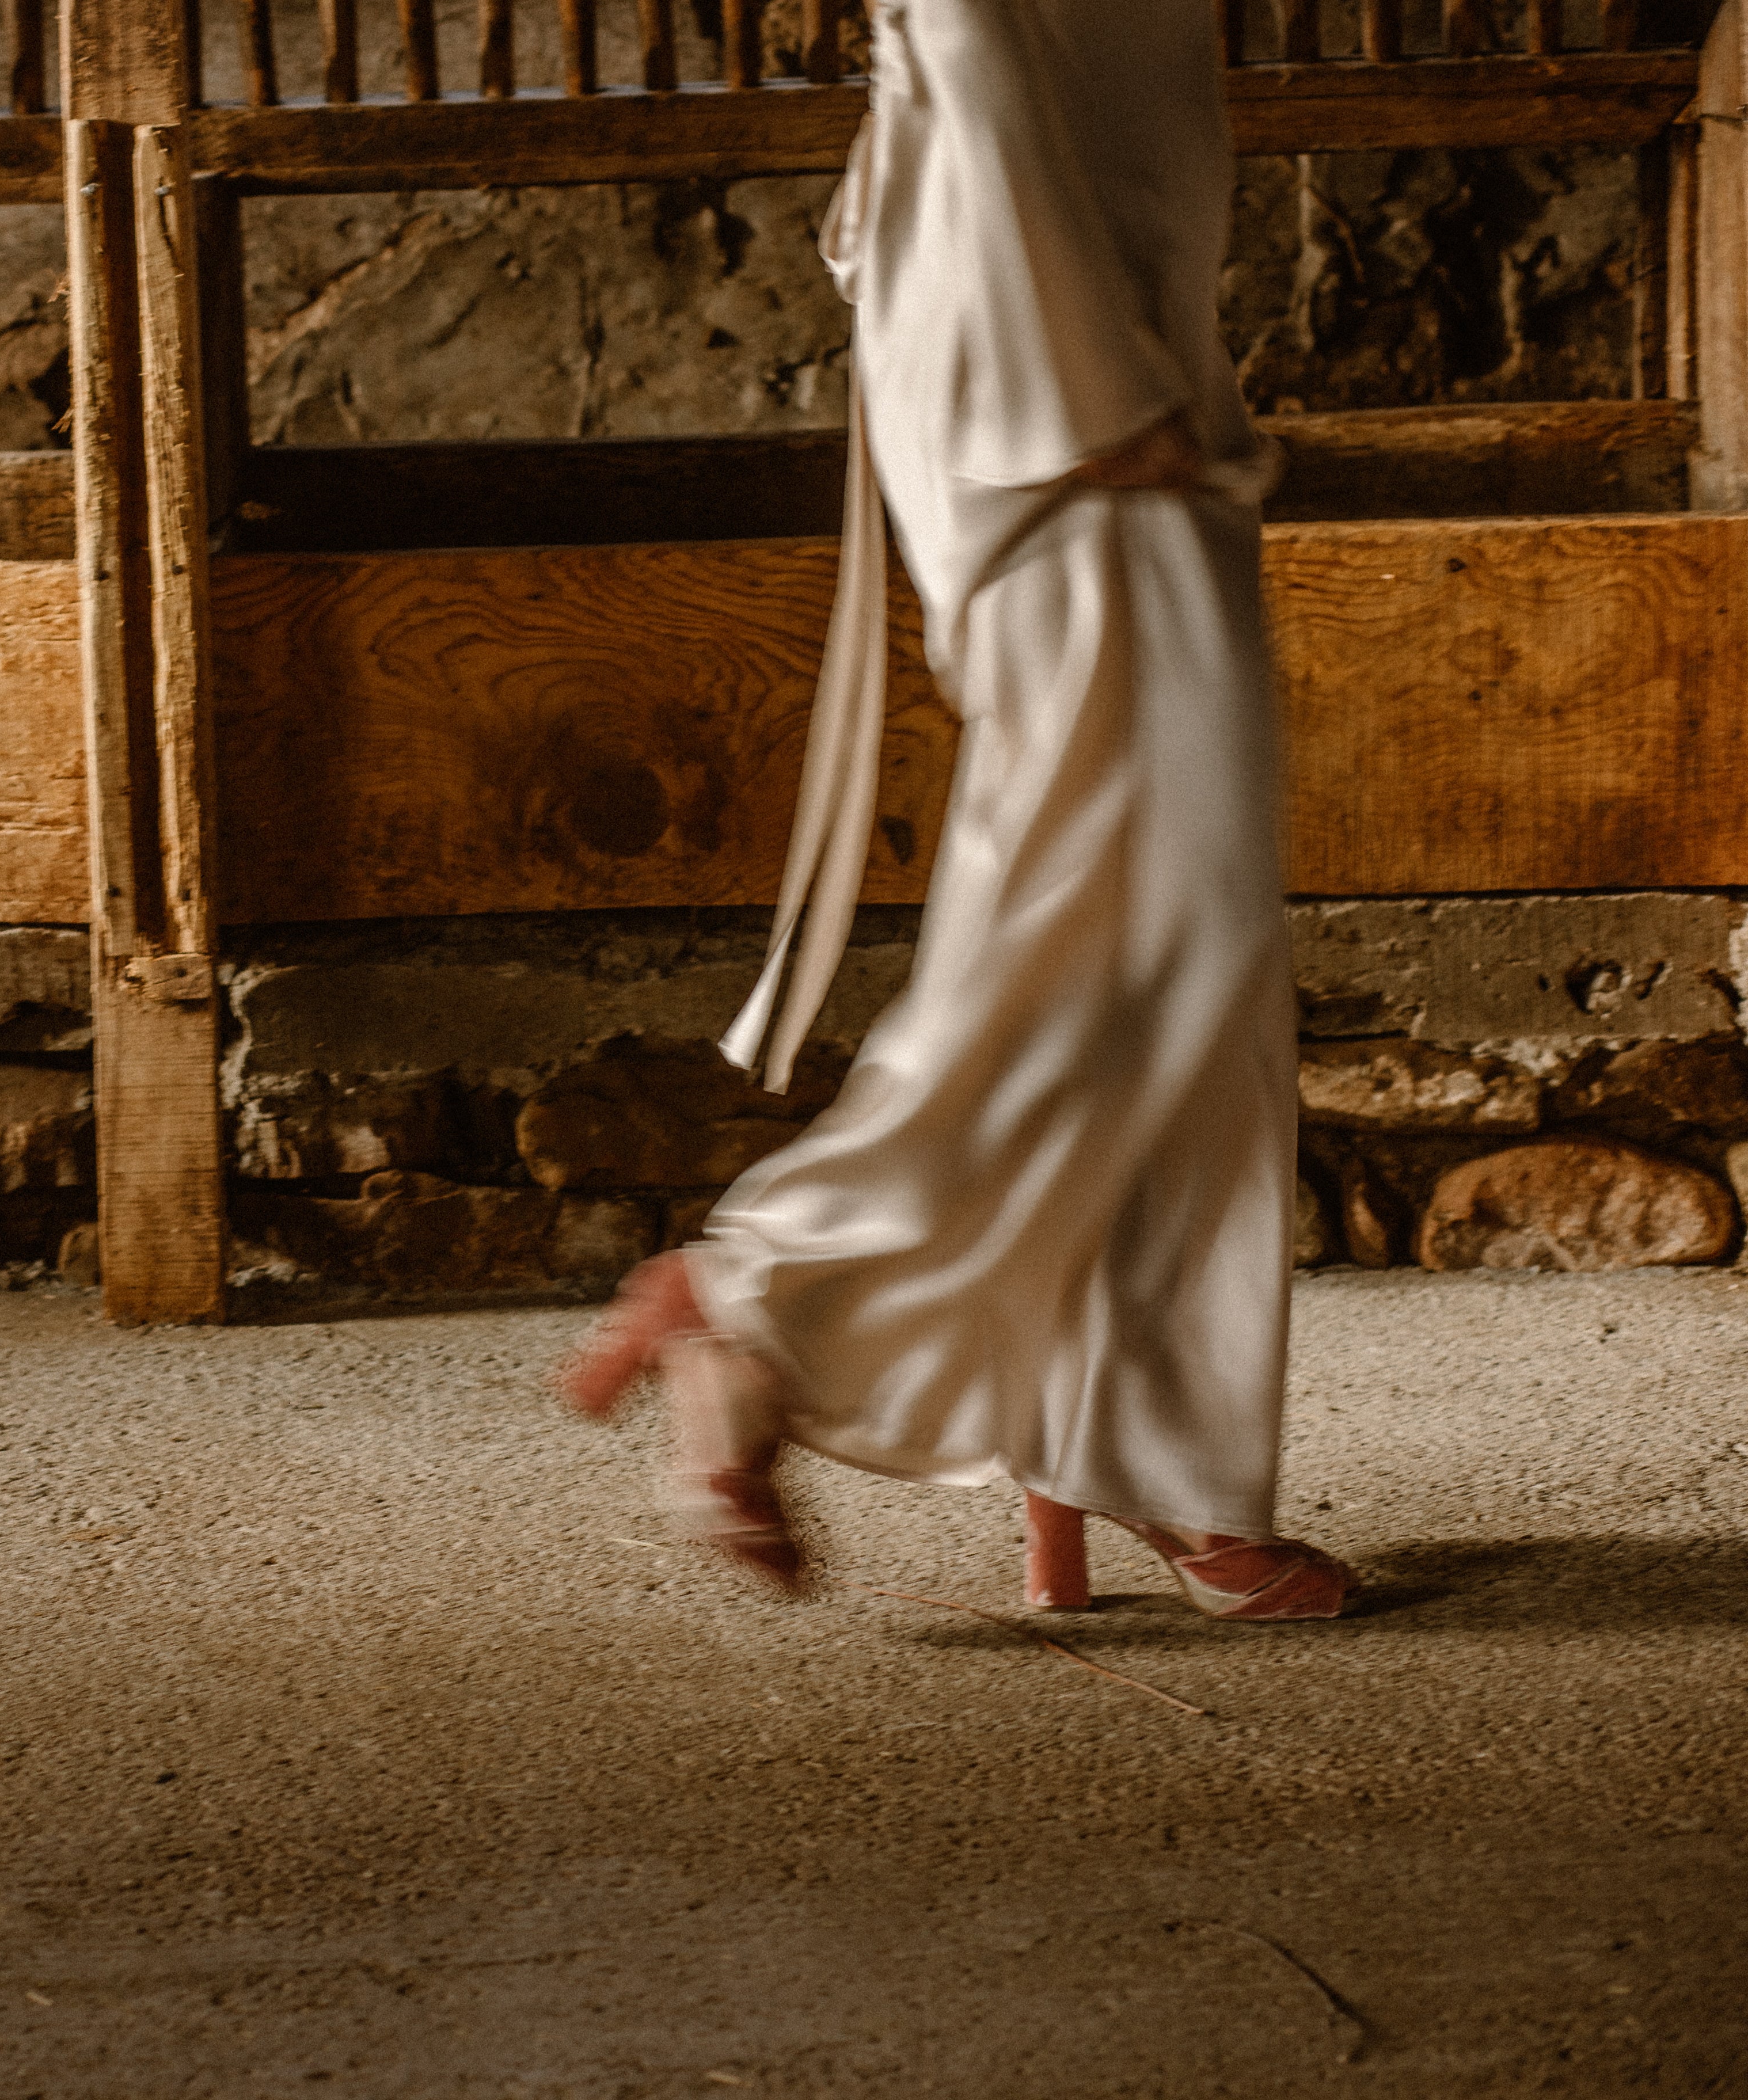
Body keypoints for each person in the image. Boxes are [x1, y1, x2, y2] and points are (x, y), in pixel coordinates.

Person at [556, 0, 1352, 1622]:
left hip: (1062, 367)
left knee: (1145, 938)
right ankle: (764, 1298)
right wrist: (1092, 379)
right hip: (1073, 404)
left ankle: (1128, 1454)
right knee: (1154, 930)